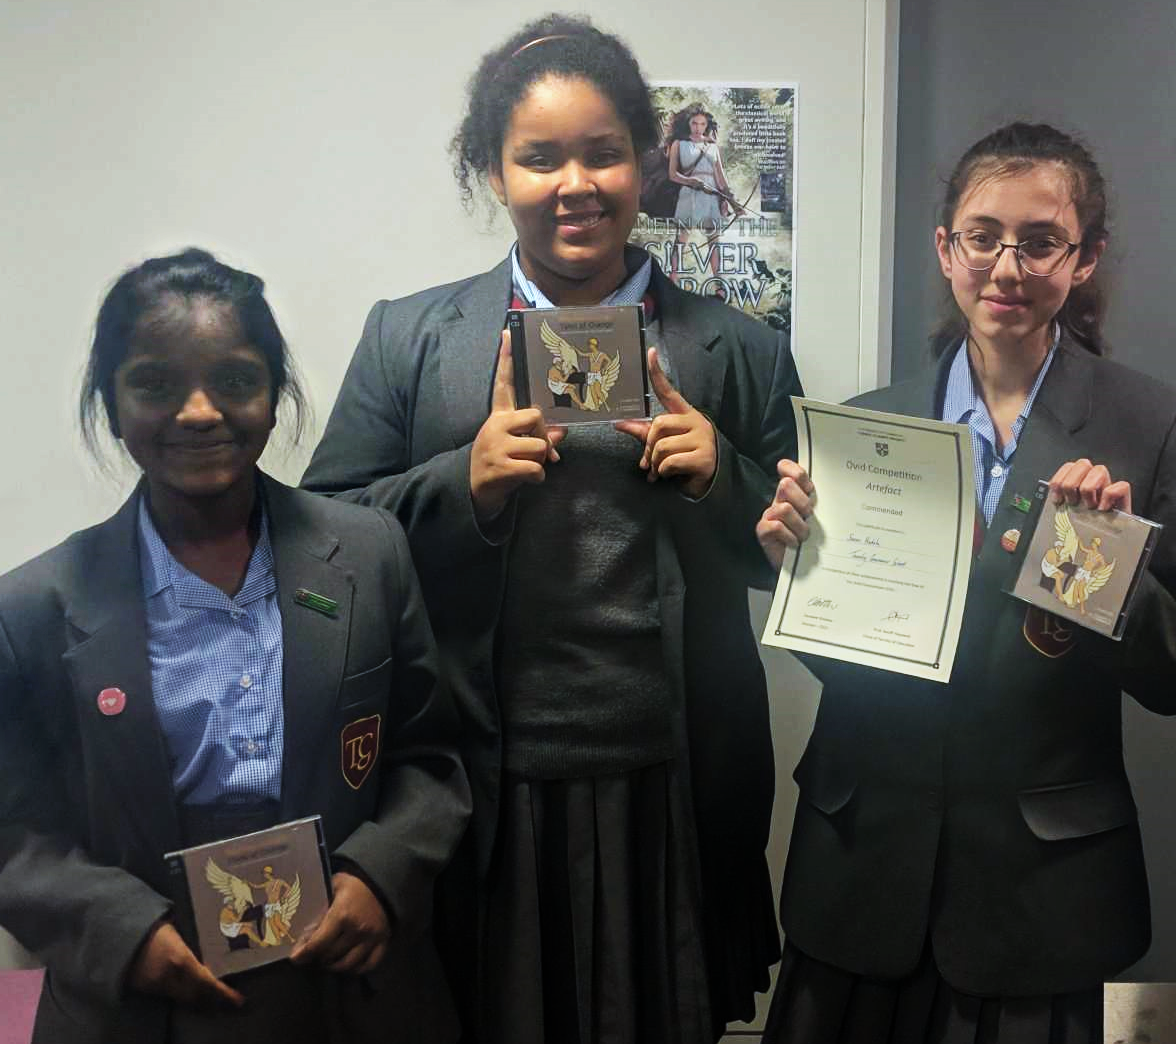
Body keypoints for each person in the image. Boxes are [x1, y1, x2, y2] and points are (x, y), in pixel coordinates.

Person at [300, 14, 801, 1043]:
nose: (575, 182)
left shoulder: (737, 350)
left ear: (646, 163)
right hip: (480, 780)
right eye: (539, 158)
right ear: (493, 171)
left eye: (602, 152)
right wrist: (460, 483)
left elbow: (790, 561)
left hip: (675, 779)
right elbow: (327, 545)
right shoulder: (409, 337)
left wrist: (725, 478)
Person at [755, 122, 1176, 1044]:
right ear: (946, 248)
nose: (1008, 266)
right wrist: (795, 579)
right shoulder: (865, 429)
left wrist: (1090, 565)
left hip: (1037, 882)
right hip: (866, 855)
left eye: (1041, 241)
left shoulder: (1151, 426)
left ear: (1082, 258)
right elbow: (848, 664)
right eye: (983, 236)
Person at [0, 249, 470, 1044]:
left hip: (352, 994)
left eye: (233, 380)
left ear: (273, 393)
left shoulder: (368, 555)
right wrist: (123, 933)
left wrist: (381, 875)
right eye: (155, 384)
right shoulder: (30, 609)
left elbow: (430, 759)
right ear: (111, 401)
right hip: (139, 1006)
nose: (198, 411)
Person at [667, 104, 732, 277]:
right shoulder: (679, 144)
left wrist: (727, 199)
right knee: (681, 240)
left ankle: (719, 285)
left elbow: (720, 177)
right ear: (688, 124)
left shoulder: (712, 146)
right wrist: (690, 181)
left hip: (711, 196)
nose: (698, 127)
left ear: (707, 125)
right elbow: (672, 175)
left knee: (714, 242)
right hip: (688, 195)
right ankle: (672, 280)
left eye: (702, 124)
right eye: (695, 123)